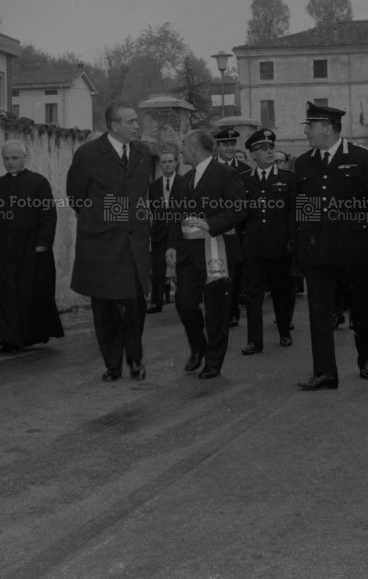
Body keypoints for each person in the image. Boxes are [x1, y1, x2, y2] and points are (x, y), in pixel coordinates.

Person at [294, 102, 368, 390]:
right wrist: (303, 242)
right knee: (319, 312)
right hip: (318, 251)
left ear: (328, 127)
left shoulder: (362, 159)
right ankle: (325, 372)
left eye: (310, 126)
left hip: (354, 249)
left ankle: (364, 358)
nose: (307, 131)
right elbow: (304, 207)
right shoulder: (303, 162)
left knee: (361, 308)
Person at [67, 101, 152, 381]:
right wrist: (103, 221)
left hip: (133, 246)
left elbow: (143, 197)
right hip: (101, 246)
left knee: (135, 306)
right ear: (114, 126)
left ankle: (135, 359)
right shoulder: (88, 155)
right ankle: (113, 365)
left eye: (137, 121)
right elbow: (76, 197)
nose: (137, 126)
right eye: (131, 122)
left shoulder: (142, 153)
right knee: (106, 309)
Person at [166, 129, 248, 379]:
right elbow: (175, 214)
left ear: (194, 147)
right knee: (184, 303)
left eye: (183, 145)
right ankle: (198, 347)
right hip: (188, 254)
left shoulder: (225, 173)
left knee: (217, 311)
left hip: (217, 251)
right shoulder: (185, 178)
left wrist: (210, 224)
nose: (180, 150)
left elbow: (239, 209)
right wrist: (171, 245)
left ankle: (213, 362)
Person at [0, 140, 63, 352]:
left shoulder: (38, 182)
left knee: (26, 295)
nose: (10, 162)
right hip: (2, 251)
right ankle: (5, 335)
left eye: (14, 158)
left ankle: (21, 337)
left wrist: (43, 243)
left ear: (24, 158)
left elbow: (49, 215)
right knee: (3, 295)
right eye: (6, 158)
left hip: (30, 251)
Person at [239, 128, 296, 354]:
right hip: (253, 247)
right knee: (254, 296)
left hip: (280, 247)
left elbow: (295, 212)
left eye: (271, 147)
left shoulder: (288, 178)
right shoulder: (243, 180)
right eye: (263, 149)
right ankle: (255, 341)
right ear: (253, 155)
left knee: (283, 293)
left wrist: (294, 239)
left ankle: (284, 331)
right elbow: (239, 213)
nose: (270, 151)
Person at [213, 127, 250, 327]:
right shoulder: (209, 169)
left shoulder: (244, 169)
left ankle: (232, 309)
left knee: (234, 272)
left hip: (238, 230)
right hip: (215, 228)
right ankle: (219, 309)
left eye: (232, 144)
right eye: (225, 144)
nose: (229, 148)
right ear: (217, 146)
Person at [147, 149, 185, 314]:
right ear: (160, 165)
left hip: (179, 234)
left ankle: (183, 301)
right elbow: (153, 210)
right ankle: (156, 303)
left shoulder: (184, 182)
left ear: (176, 163)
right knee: (158, 270)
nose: (167, 164)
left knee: (182, 269)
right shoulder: (153, 186)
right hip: (159, 234)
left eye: (170, 161)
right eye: (164, 162)